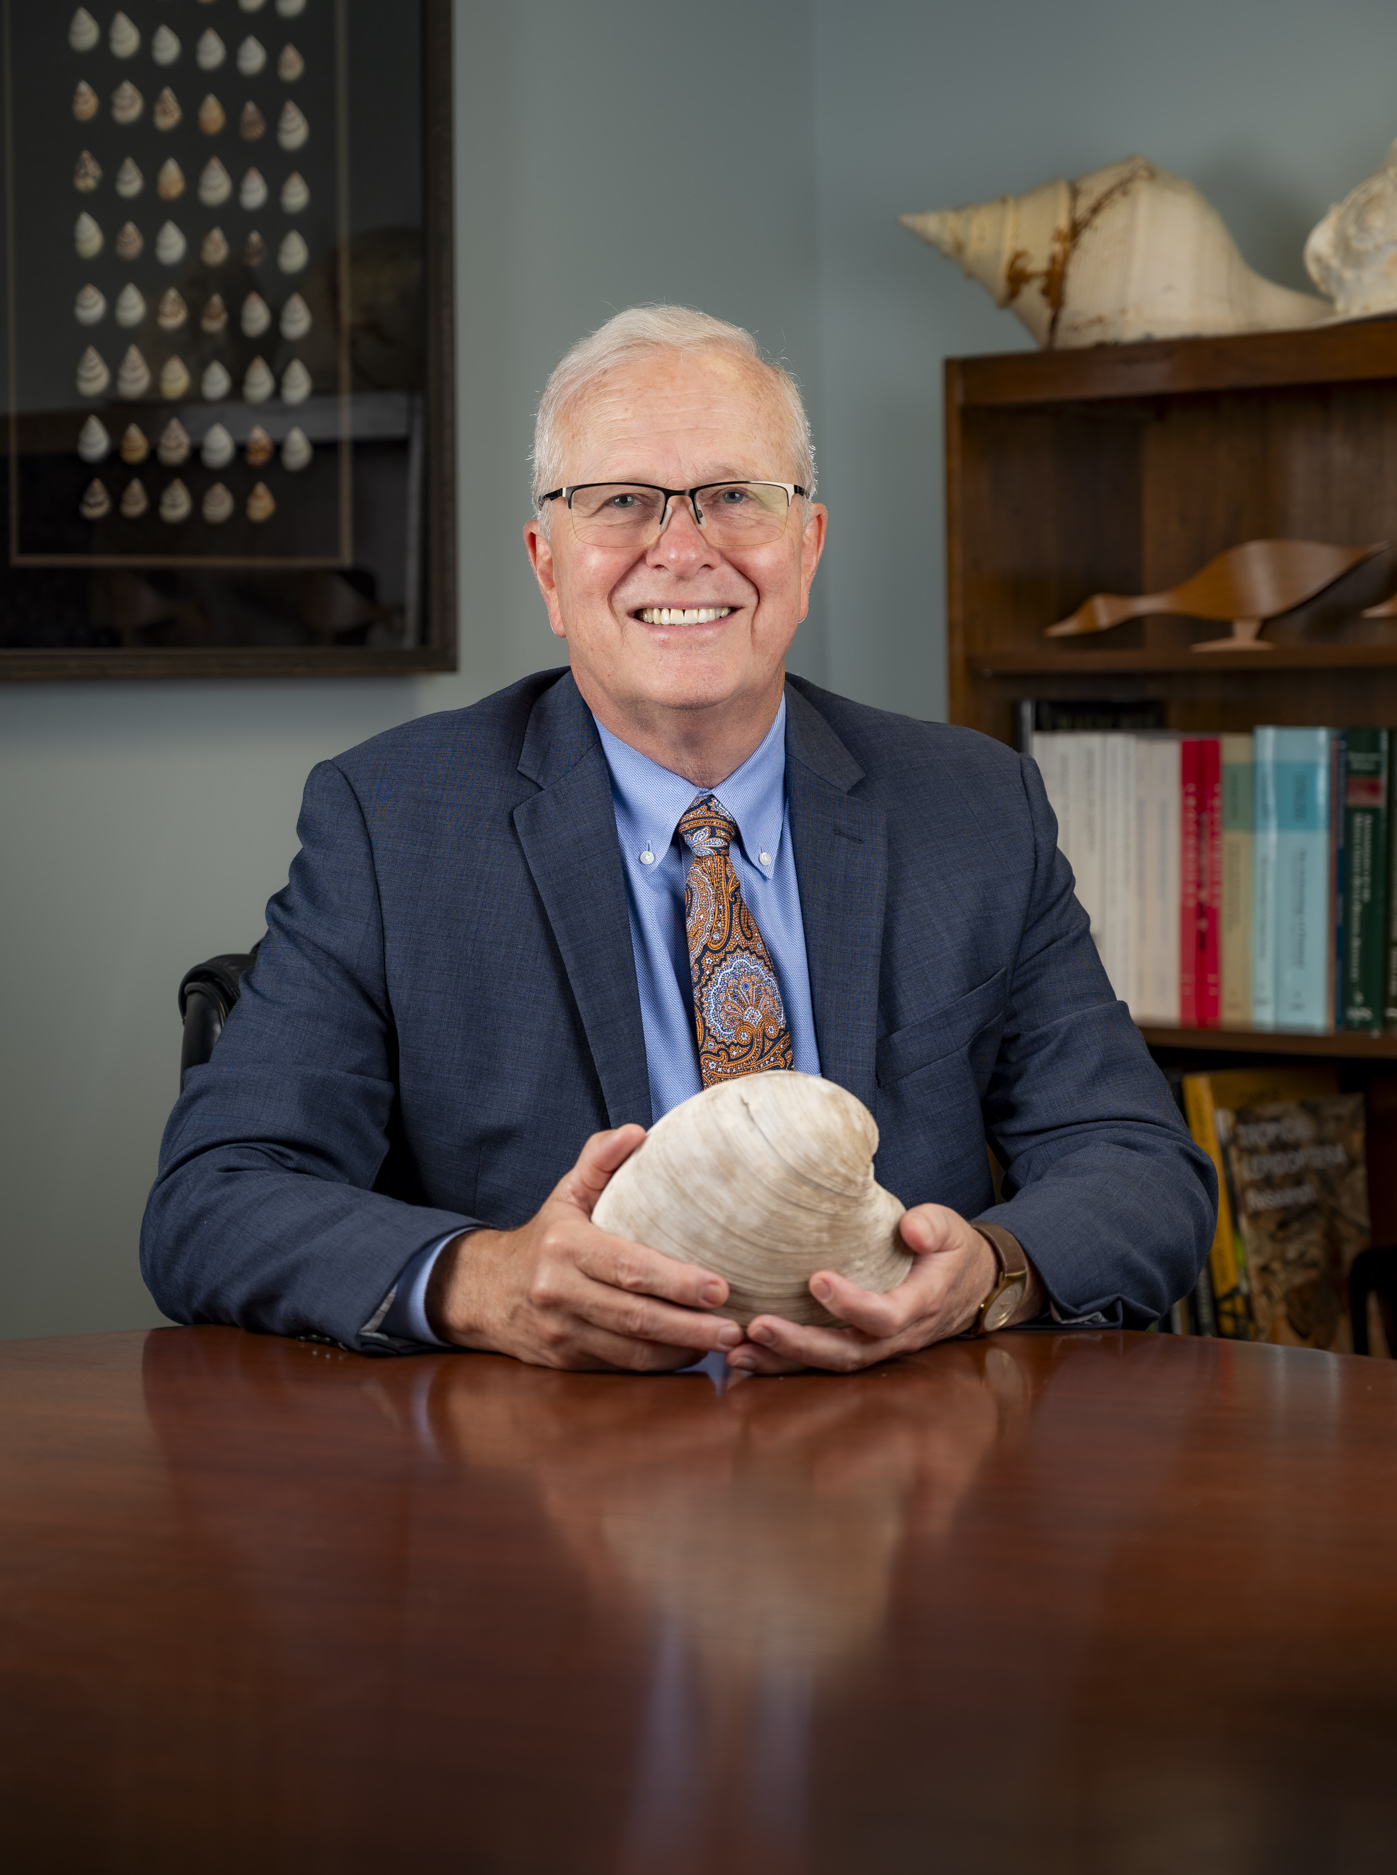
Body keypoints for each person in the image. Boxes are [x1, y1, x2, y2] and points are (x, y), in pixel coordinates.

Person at [142, 306, 1215, 1373]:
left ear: (807, 546)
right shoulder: (392, 821)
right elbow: (215, 1197)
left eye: (734, 496)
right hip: (547, 1449)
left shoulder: (973, 807)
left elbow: (1137, 1164)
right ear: (548, 566)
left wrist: (986, 1273)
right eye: (622, 502)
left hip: (898, 1431)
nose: (684, 550)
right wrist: (486, 1281)